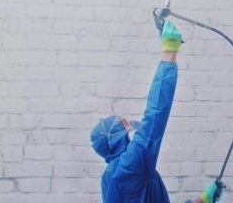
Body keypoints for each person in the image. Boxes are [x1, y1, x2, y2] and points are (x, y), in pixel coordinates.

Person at [90, 21, 222, 203]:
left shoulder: (113, 175)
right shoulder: (131, 163)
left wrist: (203, 200)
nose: (129, 125)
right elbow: (155, 114)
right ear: (113, 138)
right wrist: (169, 52)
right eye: (124, 123)